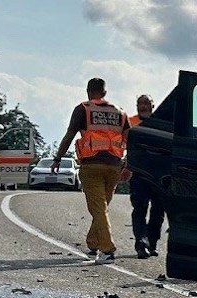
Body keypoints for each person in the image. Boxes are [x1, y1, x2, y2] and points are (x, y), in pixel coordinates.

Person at [51, 78, 128, 263]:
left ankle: (108, 250)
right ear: (105, 93)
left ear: (88, 91)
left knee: (98, 208)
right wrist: (130, 166)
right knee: (102, 207)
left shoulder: (83, 109)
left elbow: (70, 135)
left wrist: (57, 158)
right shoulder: (120, 113)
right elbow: (131, 141)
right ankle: (93, 243)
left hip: (92, 166)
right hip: (114, 166)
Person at [127, 95, 165, 259]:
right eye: (140, 104)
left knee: (158, 211)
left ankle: (152, 242)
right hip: (139, 173)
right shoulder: (130, 122)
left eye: (146, 103)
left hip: (159, 175)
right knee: (140, 209)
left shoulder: (161, 123)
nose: (143, 106)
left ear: (153, 105)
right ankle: (141, 243)